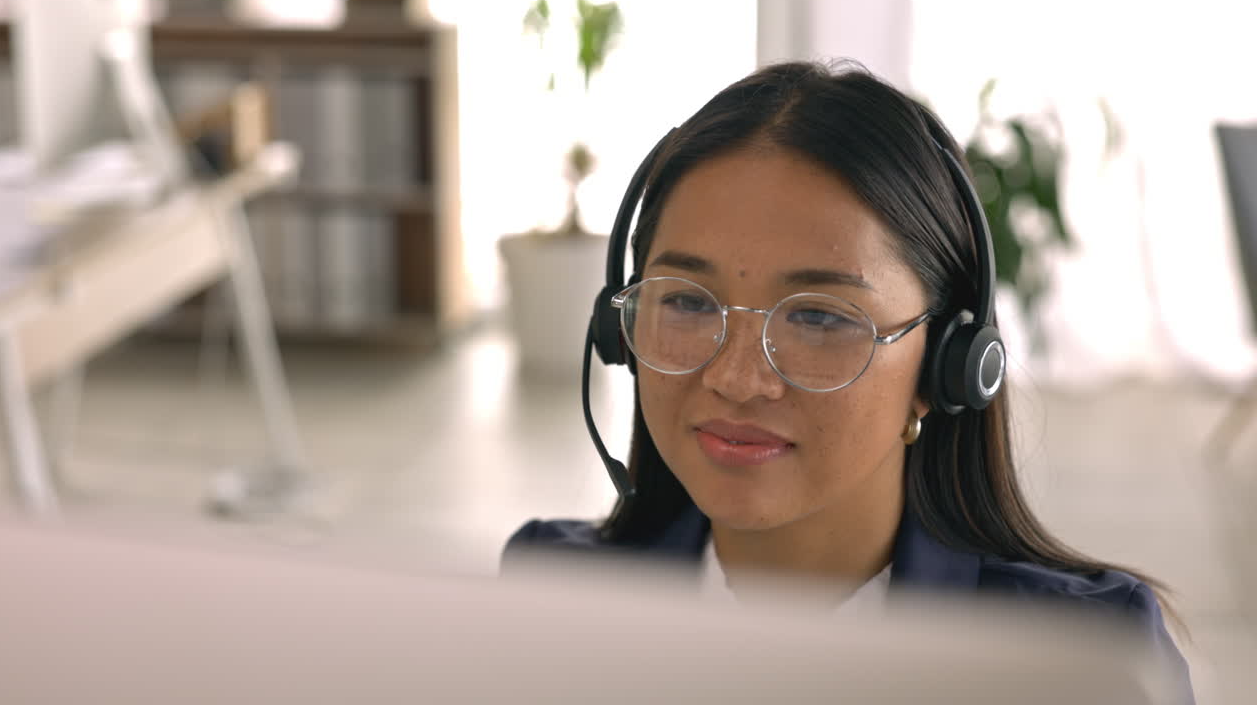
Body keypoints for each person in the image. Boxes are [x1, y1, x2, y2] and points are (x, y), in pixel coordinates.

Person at [503, 60, 1192, 700]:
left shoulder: (1084, 659)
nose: (738, 378)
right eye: (687, 301)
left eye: (818, 318)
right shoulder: (554, 590)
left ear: (945, 363)